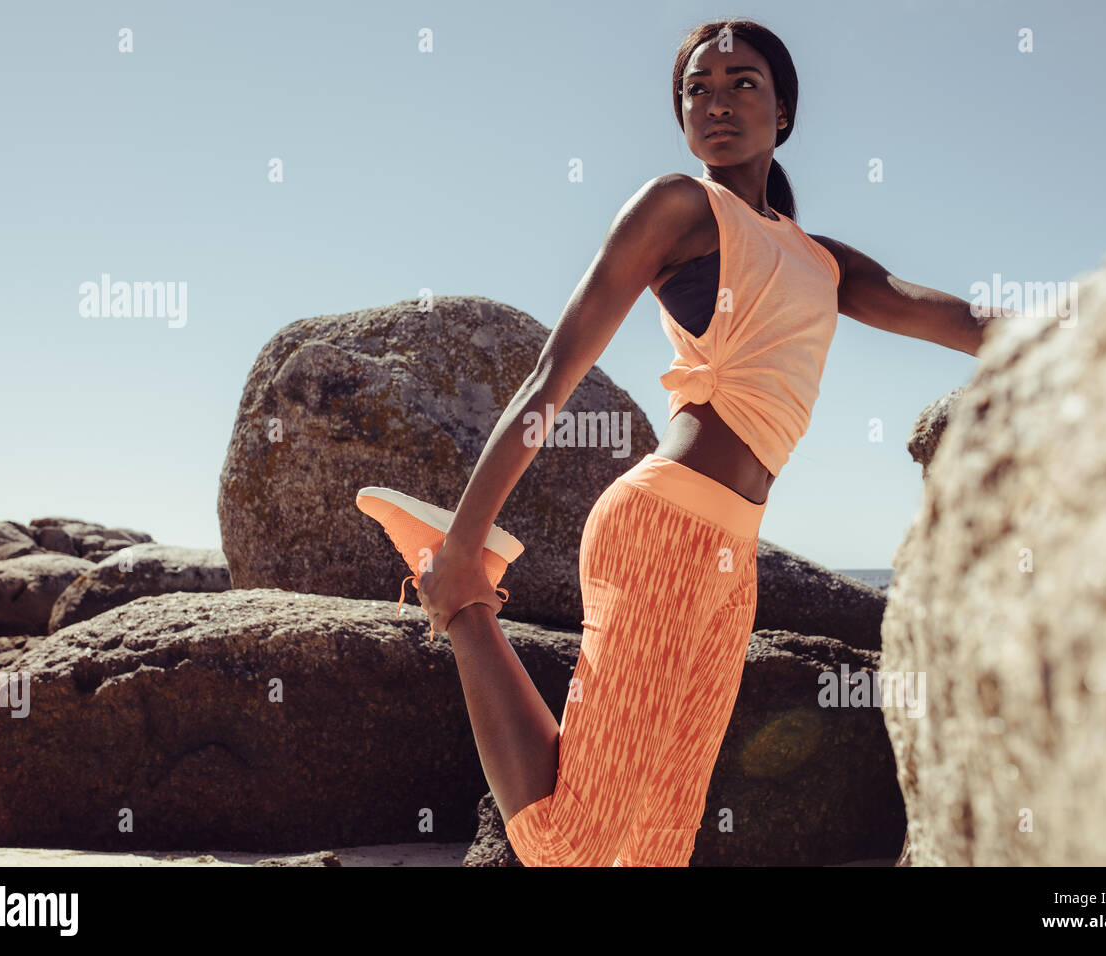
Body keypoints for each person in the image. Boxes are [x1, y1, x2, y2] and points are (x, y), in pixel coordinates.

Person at [406, 19, 999, 866]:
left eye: (742, 83)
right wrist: (465, 543)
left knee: (660, 843)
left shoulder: (823, 262)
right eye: (698, 88)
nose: (717, 102)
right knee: (570, 848)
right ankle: (464, 603)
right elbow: (552, 375)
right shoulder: (680, 205)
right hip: (659, 529)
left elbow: (966, 322)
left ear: (784, 110)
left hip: (734, 559)